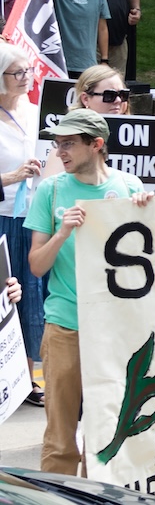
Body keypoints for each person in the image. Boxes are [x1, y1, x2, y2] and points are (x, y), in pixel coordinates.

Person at [26, 108, 148, 475]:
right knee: (61, 437)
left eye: (68, 144)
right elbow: (36, 265)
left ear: (96, 145)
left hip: (115, 330)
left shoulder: (129, 187)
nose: (59, 152)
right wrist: (63, 232)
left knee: (108, 433)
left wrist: (145, 212)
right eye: (57, 144)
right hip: (66, 325)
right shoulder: (51, 190)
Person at [0, 43, 44, 408]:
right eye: (17, 72)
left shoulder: (37, 113)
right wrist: (13, 175)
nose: (26, 77)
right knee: (5, 298)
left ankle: (29, 378)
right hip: (3, 217)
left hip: (34, 215)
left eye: (28, 69)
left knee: (31, 297)